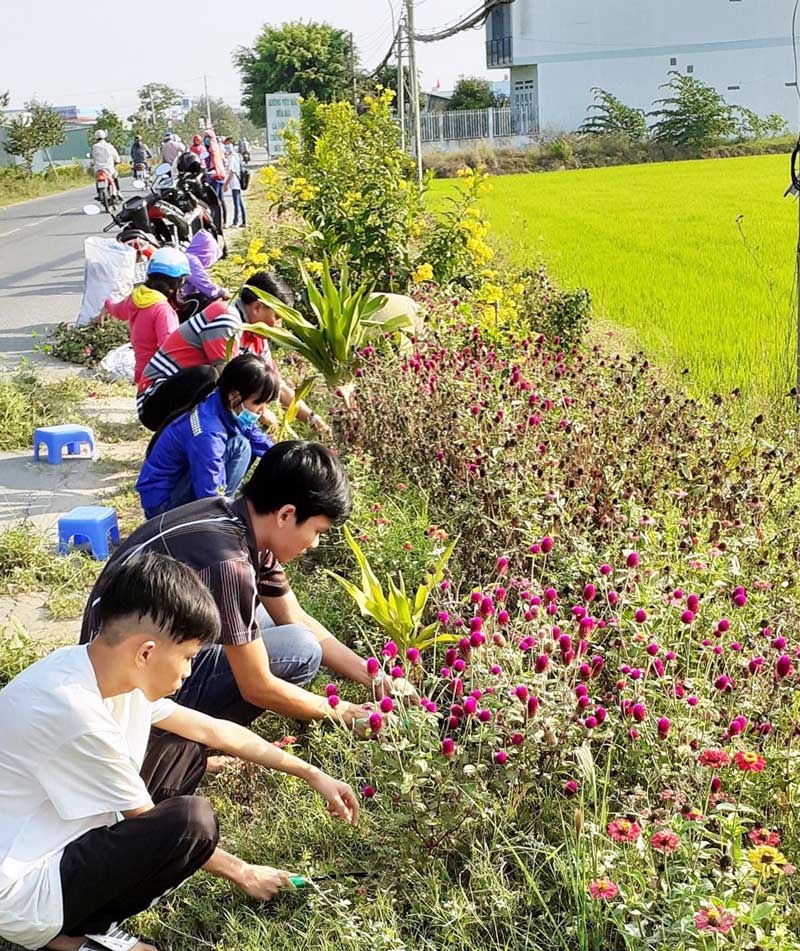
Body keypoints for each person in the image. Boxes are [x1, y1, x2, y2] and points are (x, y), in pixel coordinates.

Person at [0, 552, 358, 951]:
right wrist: (245, 873)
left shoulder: (96, 669)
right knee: (192, 824)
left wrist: (313, 773)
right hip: (23, 891)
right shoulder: (75, 712)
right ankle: (72, 935)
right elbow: (154, 824)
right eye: (187, 657)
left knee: (184, 749)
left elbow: (216, 731)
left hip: (48, 828)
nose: (188, 672)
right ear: (146, 652)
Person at [81, 444, 403, 761]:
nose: (315, 544)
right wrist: (344, 712)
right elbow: (256, 686)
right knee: (300, 652)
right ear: (286, 514)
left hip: (125, 647)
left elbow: (294, 617)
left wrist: (376, 676)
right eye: (317, 531)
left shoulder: (236, 518)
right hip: (122, 687)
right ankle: (181, 746)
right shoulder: (229, 563)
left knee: (283, 629)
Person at [136, 270, 328, 434]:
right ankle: (174, 442)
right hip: (155, 401)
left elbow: (278, 385)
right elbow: (227, 380)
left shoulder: (257, 334)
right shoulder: (226, 317)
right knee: (210, 377)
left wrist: (313, 420)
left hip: (183, 397)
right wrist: (260, 412)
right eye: (277, 316)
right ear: (258, 307)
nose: (279, 324)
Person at [136, 354, 279, 518]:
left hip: (175, 488)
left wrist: (290, 460)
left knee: (242, 444)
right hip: (163, 506)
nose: (262, 411)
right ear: (234, 396)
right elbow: (209, 491)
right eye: (258, 403)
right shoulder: (208, 431)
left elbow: (258, 439)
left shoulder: (221, 404)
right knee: (241, 446)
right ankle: (212, 520)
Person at [98, 248, 189, 391]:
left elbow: (118, 311)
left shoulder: (136, 297)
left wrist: (107, 305)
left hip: (141, 373)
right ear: (176, 282)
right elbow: (170, 346)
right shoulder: (162, 310)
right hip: (158, 376)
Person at [178, 228, 229, 320]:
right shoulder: (192, 261)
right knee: (204, 299)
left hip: (175, 298)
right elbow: (207, 288)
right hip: (178, 302)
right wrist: (222, 292)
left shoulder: (187, 256)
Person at [91, 129, 121, 198]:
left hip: (99, 168)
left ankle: (99, 194)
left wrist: (93, 163)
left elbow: (93, 157)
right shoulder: (109, 146)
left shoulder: (95, 147)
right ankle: (118, 191)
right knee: (115, 176)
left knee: (97, 179)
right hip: (109, 168)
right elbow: (115, 155)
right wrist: (117, 161)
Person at [223, 139, 246, 228]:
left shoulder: (232, 157)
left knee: (236, 203)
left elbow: (232, 171)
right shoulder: (236, 155)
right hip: (237, 181)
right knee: (240, 202)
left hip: (235, 182)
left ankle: (235, 222)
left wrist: (226, 184)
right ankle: (244, 221)